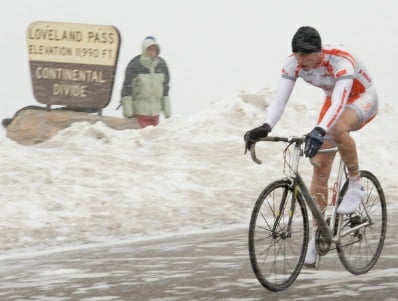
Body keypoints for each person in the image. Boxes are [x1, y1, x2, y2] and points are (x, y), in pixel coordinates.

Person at [244, 26, 378, 266]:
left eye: (306, 57)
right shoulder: (293, 63)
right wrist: (265, 126)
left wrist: (320, 130)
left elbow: (340, 101)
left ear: (318, 53)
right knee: (320, 167)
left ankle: (356, 183)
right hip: (333, 100)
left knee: (336, 129)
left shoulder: (340, 60)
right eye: (297, 56)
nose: (301, 62)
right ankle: (316, 235)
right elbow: (280, 99)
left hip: (361, 97)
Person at [120, 36, 171, 128]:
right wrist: (128, 112)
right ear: (144, 49)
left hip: (155, 114)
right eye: (149, 49)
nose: (152, 52)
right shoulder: (135, 66)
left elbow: (165, 89)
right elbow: (127, 89)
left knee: (153, 140)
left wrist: (167, 111)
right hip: (139, 113)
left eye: (154, 49)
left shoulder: (162, 66)